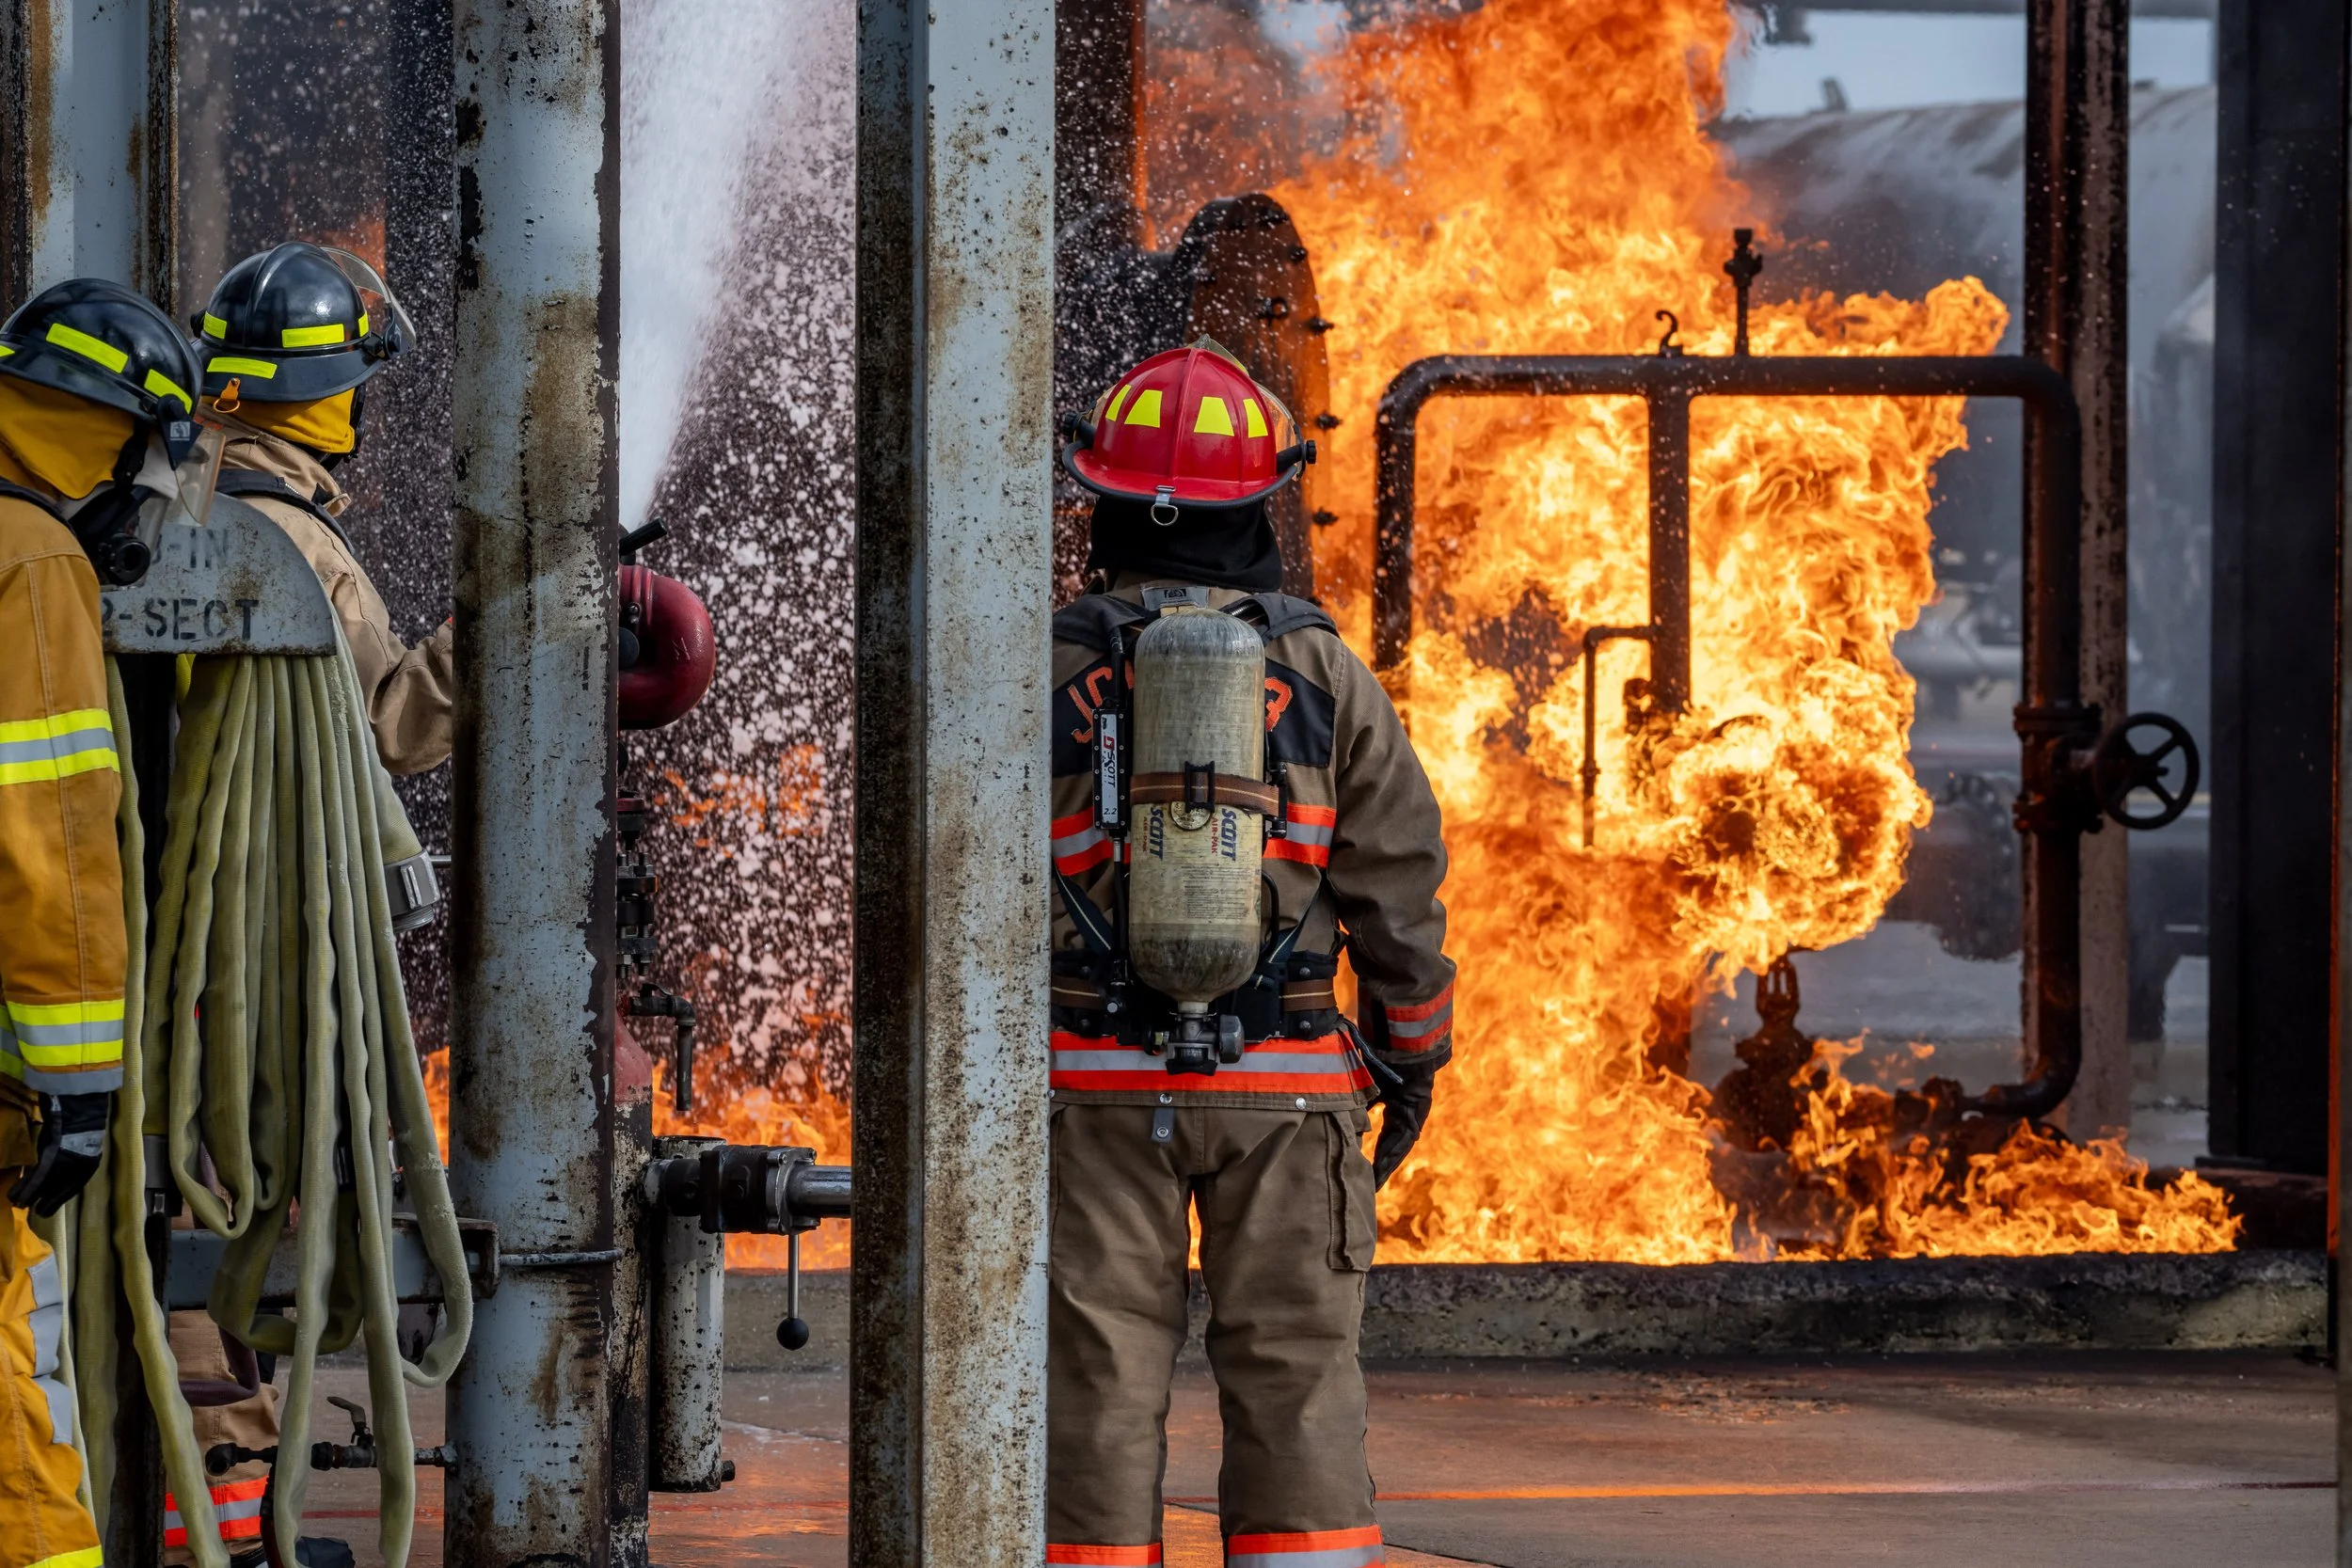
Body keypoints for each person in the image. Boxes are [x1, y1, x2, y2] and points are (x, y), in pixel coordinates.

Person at [1045, 341, 1455, 1566]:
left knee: (1093, 1377)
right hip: (1286, 1084)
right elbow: (1398, 878)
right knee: (1297, 1375)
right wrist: (1412, 1051)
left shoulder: (1043, 665)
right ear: (1259, 503)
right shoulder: (1326, 670)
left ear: (1103, 497)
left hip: (1092, 1088)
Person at [0, 278, 213, 1568]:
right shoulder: (31, 561)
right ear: (103, 434)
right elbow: (51, 844)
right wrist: (80, 1092)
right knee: (14, 1424)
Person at [194, 240, 451, 774]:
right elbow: (391, 729)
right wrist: (488, 635)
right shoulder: (300, 544)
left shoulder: (165, 480)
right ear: (337, 396)